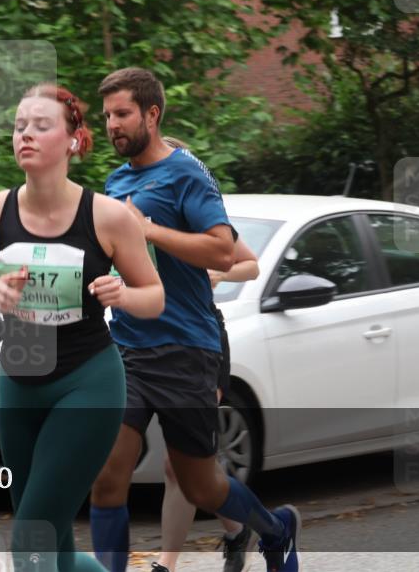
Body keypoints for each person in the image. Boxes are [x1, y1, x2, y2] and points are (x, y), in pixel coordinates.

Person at [88, 68, 300, 572]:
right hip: (128, 347)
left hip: (186, 348)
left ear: (152, 114)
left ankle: (275, 530)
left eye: (122, 114)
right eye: (107, 116)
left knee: (200, 485)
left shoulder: (187, 173)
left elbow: (224, 251)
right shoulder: (116, 182)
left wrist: (150, 231)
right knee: (107, 476)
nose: (112, 125)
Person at [0, 83, 164, 572]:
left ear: (73, 139)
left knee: (31, 538)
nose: (25, 134)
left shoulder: (107, 216)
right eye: (19, 126)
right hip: (19, 385)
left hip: (87, 384)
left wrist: (122, 295)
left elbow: (154, 297)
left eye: (40, 125)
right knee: (56, 549)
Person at [149, 141, 260, 572]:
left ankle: (167, 563)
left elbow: (249, 264)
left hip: (201, 338)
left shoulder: (199, 220)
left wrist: (214, 272)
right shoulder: (137, 217)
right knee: (187, 465)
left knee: (178, 463)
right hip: (150, 339)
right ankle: (238, 529)